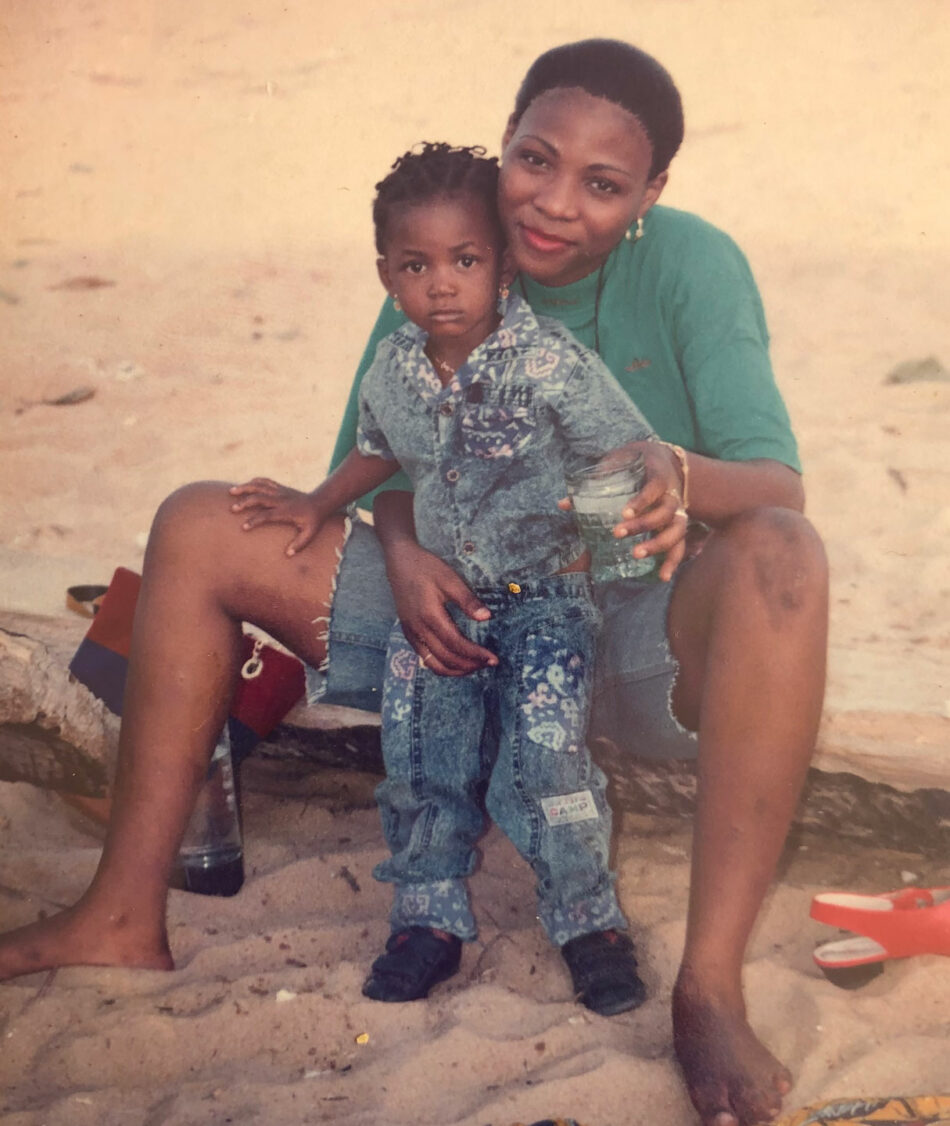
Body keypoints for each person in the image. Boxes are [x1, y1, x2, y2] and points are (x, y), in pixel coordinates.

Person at [0, 38, 829, 1126]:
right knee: (197, 522)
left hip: (631, 624)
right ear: (504, 142)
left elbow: (777, 483)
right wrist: (400, 550)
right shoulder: (444, 242)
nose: (551, 203)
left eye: (601, 184)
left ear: (648, 196)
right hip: (453, 606)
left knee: (783, 553)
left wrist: (674, 469)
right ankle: (120, 913)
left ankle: (707, 985)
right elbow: (384, 459)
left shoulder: (690, 264)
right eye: (535, 159)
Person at [250, 141, 665, 1014]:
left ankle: (588, 922)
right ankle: (428, 918)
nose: (443, 283)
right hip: (439, 606)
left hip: (546, 604)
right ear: (387, 274)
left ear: (504, 263)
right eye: (418, 264)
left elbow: (631, 450)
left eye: (465, 259)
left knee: (550, 757)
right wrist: (318, 500)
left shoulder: (549, 362)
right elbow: (378, 451)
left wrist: (606, 550)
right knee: (421, 759)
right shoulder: (395, 368)